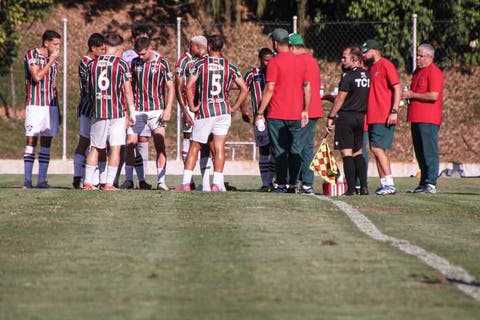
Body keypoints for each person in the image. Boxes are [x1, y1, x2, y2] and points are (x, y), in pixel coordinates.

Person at [176, 34, 248, 192]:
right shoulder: (230, 66)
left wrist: (192, 106)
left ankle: (186, 183)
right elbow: (244, 88)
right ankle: (216, 184)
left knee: (195, 145)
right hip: (223, 110)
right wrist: (234, 107)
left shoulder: (201, 64)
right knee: (220, 147)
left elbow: (188, 86)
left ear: (208, 47)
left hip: (206, 110)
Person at [256, 28, 311, 194]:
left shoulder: (274, 62)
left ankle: (281, 184)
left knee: (279, 151)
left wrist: (260, 112)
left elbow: (270, 88)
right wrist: (305, 110)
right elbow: (307, 88)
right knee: (295, 150)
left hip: (277, 115)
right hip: (296, 113)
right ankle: (293, 184)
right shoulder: (301, 61)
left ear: (275, 43)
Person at [83, 33, 136, 190]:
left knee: (95, 147)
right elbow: (128, 91)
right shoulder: (121, 65)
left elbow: (88, 89)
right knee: (115, 148)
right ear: (119, 48)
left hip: (98, 111)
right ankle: (108, 184)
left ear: (104, 46)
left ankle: (87, 182)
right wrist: (131, 113)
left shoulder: (92, 64)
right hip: (117, 112)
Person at [126, 37, 174, 190]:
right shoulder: (134, 63)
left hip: (156, 111)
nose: (140, 57)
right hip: (138, 111)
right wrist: (130, 110)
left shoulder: (162, 63)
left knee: (159, 145)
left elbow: (170, 88)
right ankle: (130, 180)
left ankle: (161, 181)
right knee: (130, 144)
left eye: (142, 54)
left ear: (149, 49)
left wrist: (168, 109)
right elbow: (129, 87)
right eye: (138, 54)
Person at [326, 46, 369, 196]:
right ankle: (363, 187)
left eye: (345, 58)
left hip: (346, 117)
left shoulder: (348, 76)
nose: (342, 60)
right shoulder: (366, 76)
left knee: (346, 153)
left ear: (355, 59)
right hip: (360, 117)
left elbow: (340, 98)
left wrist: (331, 116)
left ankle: (350, 189)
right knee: (358, 152)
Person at [117, 23, 155, 189]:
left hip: (149, 106)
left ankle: (142, 179)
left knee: (143, 139)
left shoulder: (155, 56)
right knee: (129, 141)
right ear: (133, 39)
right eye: (139, 37)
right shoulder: (126, 56)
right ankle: (128, 178)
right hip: (132, 105)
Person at [403, 43, 444, 194]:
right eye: (417, 55)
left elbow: (433, 95)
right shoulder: (417, 72)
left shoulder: (434, 72)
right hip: (415, 117)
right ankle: (423, 182)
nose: (418, 58)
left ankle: (431, 182)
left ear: (430, 57)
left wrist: (412, 95)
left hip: (428, 118)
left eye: (421, 56)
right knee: (420, 151)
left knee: (429, 150)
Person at [362, 39, 401, 195]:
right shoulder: (371, 68)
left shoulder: (385, 65)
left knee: (377, 148)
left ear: (374, 51)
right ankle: (384, 183)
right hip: (373, 115)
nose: (364, 55)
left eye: (366, 52)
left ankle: (390, 184)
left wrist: (394, 110)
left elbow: (397, 87)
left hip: (383, 114)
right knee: (377, 149)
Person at [23, 30, 61, 189]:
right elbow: (37, 77)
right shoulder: (32, 55)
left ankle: (42, 181)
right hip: (35, 105)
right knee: (31, 140)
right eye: (55, 44)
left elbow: (53, 85)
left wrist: (58, 110)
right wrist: (51, 61)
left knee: (47, 142)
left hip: (50, 106)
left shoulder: (54, 61)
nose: (58, 47)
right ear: (46, 43)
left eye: (59, 44)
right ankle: (27, 181)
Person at [174, 35, 213, 191]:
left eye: (191, 46)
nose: (189, 49)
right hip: (192, 107)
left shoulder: (208, 60)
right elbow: (179, 86)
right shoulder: (184, 61)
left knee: (205, 144)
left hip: (204, 107)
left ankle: (206, 183)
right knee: (190, 141)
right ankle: (189, 183)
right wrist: (185, 109)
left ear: (197, 46)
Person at [288, 33, 323, 195]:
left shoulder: (299, 61)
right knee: (307, 147)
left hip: (303, 110)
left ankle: (292, 181)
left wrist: (303, 110)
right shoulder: (312, 60)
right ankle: (307, 183)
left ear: (293, 47)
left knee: (296, 146)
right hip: (314, 109)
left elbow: (303, 87)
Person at [72, 33, 106, 189]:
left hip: (93, 106)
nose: (104, 50)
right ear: (93, 48)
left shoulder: (96, 62)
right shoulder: (87, 62)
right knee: (87, 141)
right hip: (88, 106)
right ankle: (79, 176)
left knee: (94, 142)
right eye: (101, 47)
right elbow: (89, 86)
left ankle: (91, 178)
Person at [240, 47, 276, 192]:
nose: (269, 63)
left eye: (271, 60)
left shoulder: (276, 72)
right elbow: (243, 90)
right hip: (259, 118)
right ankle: (266, 182)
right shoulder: (252, 74)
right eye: (266, 60)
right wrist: (243, 109)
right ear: (260, 60)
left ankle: (275, 180)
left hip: (276, 116)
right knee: (264, 149)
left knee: (276, 149)